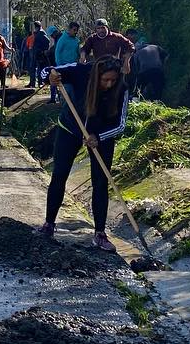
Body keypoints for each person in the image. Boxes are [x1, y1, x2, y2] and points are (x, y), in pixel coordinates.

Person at [36, 55, 131, 252]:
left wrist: (99, 136)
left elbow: (120, 124)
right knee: (59, 175)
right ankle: (49, 224)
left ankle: (100, 233)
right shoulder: (81, 71)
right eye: (105, 80)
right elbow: (48, 70)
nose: (109, 84)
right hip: (70, 128)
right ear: (97, 75)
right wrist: (49, 77)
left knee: (101, 181)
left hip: (101, 135)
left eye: (112, 80)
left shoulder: (121, 88)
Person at [52, 23, 81, 104]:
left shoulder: (76, 40)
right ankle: (65, 106)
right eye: (74, 30)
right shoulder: (63, 39)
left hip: (74, 68)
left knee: (74, 89)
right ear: (69, 29)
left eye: (77, 30)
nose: (76, 32)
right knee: (66, 89)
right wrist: (60, 68)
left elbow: (78, 53)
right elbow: (57, 53)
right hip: (64, 68)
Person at [28, 21, 51, 89]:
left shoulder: (41, 34)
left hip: (39, 54)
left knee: (37, 68)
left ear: (36, 27)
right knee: (35, 68)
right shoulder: (38, 33)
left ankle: (38, 83)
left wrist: (43, 51)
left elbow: (47, 42)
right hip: (36, 53)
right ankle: (33, 83)